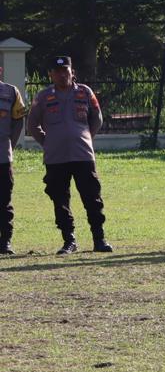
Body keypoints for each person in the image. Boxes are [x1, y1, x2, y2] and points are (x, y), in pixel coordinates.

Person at [25, 56, 112, 254]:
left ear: (72, 72)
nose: (62, 75)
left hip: (83, 155)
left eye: (66, 70)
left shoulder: (84, 92)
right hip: (56, 158)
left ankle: (99, 239)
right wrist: (47, 142)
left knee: (92, 197)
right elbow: (32, 125)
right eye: (57, 72)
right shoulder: (43, 96)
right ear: (51, 74)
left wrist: (85, 137)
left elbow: (96, 119)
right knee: (60, 199)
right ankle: (69, 241)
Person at [0, 64, 28, 255]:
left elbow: (19, 120)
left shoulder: (11, 92)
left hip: (2, 156)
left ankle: (5, 242)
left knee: (4, 201)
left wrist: (11, 145)